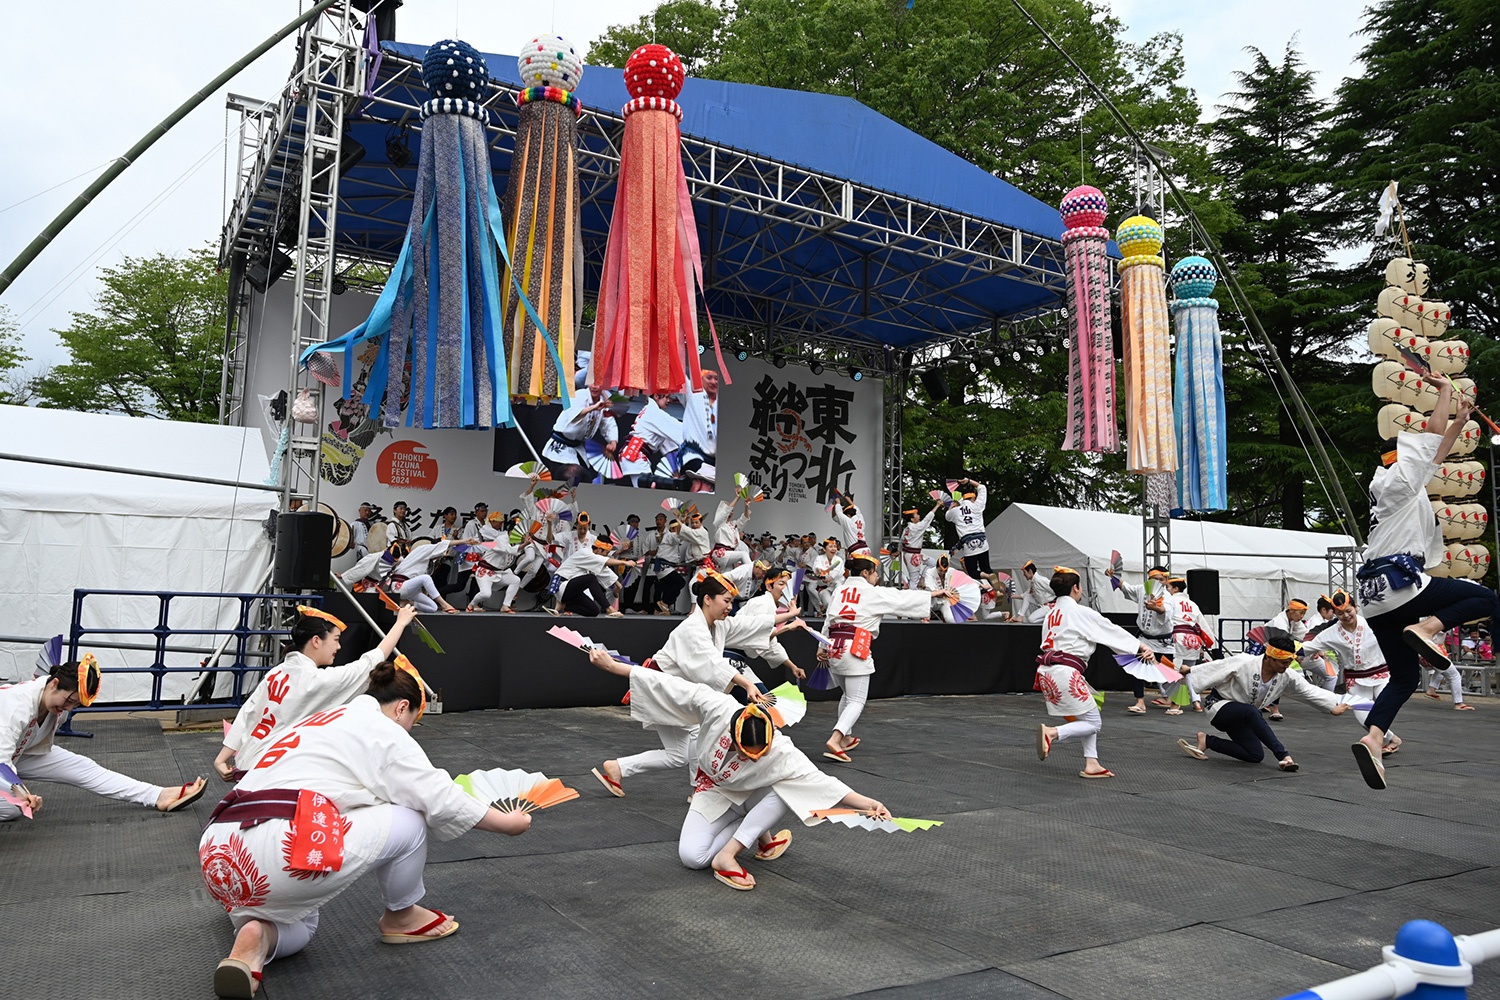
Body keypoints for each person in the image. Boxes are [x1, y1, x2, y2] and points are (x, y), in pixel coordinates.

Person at [200, 658, 531, 998]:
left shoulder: (317, 720)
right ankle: (401, 917)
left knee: (304, 921)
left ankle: (256, 935)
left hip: (219, 854)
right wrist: (508, 824)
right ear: (402, 708)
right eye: (413, 722)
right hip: (280, 844)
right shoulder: (382, 729)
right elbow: (438, 797)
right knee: (410, 814)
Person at [583, 648, 892, 891]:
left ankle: (730, 852)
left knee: (789, 789)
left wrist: (869, 803)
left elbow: (823, 782)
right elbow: (666, 682)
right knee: (692, 858)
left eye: (757, 755)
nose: (750, 758)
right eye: (744, 752)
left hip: (756, 796)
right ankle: (759, 833)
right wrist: (611, 667)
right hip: (716, 791)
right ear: (732, 734)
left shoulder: (782, 750)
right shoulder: (716, 705)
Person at [1351, 374, 1500, 788]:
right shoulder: (1400, 478)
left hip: (1374, 597)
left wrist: (1461, 420)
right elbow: (1428, 438)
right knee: (1486, 598)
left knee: (1403, 678)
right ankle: (1428, 627)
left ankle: (1374, 738)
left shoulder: (1393, 485)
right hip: (1402, 585)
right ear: (1402, 456)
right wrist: (1446, 394)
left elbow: (1436, 448)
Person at [591, 571, 796, 797]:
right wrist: (745, 682)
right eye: (726, 601)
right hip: (667, 692)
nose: (730, 607)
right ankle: (700, 789)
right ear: (708, 599)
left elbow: (747, 625)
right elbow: (712, 663)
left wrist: (787, 616)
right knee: (700, 735)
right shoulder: (692, 629)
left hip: (677, 692)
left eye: (731, 602)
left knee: (678, 754)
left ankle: (618, 767)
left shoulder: (718, 625)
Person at [216, 605, 420, 781]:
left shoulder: (277, 672)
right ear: (316, 641)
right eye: (336, 639)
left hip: (247, 763)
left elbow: (249, 712)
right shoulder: (316, 680)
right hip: (272, 770)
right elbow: (369, 663)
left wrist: (222, 757)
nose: (339, 646)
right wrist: (400, 623)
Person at [2, 656, 206, 821]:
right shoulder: (15, 707)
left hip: (20, 753)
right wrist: (21, 793)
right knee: (13, 808)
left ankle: (157, 795)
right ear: (54, 684)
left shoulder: (56, 703)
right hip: (5, 758)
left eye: (76, 705)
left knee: (82, 766)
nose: (70, 709)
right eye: (70, 701)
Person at [820, 555, 950, 763]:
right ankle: (836, 738)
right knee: (856, 699)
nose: (876, 577)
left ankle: (845, 737)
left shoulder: (839, 590)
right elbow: (901, 599)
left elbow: (828, 620)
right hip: (854, 648)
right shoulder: (872, 593)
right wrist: (933, 594)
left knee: (847, 694)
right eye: (874, 573)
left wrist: (821, 645)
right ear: (865, 573)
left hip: (834, 646)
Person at [1034, 568, 1158, 780]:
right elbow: (1109, 630)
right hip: (1066, 672)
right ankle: (1053, 733)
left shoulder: (1051, 613)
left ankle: (1092, 763)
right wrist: (1140, 647)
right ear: (1075, 588)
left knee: (1088, 715)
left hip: (1048, 672)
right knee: (1093, 722)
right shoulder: (1080, 612)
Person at [1177, 629, 1349, 771]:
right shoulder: (1245, 661)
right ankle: (1283, 756)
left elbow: (1308, 690)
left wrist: (1331, 706)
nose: (1287, 665)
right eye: (1283, 662)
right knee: (1252, 712)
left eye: (1289, 661)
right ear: (1269, 657)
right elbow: (1217, 667)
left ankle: (1207, 741)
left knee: (1254, 755)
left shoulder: (1287, 675)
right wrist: (1191, 671)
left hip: (1243, 715)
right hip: (1219, 707)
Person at [1293, 591, 1403, 755]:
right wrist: (1286, 655)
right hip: (1356, 680)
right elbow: (1309, 647)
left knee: (1383, 709)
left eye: (1348, 611)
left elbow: (1397, 634)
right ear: (1335, 614)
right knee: (1364, 719)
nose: (1345, 616)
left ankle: (1375, 742)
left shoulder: (1372, 623)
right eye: (1340, 613)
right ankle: (1392, 739)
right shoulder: (1330, 633)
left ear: (1356, 608)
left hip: (1381, 675)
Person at [1104, 565, 1173, 714]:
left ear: (1166, 580)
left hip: (1163, 642)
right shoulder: (1142, 590)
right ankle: (1140, 702)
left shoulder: (1168, 597)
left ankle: (1175, 703)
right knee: (1138, 670)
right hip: (1145, 640)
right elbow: (1126, 587)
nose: (1158, 583)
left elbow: (1164, 610)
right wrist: (1113, 576)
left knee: (1168, 673)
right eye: (1154, 579)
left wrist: (1155, 608)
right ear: (1149, 580)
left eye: (1161, 580)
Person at [341, 539, 462, 615]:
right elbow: (360, 569)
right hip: (387, 586)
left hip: (401, 588)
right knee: (369, 610)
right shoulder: (374, 557)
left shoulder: (401, 560)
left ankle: (407, 603)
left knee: (433, 607)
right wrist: (343, 576)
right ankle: (445, 605)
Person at [542, 384, 619, 482]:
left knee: (584, 478)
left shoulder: (603, 401)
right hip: (560, 448)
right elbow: (574, 415)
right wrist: (593, 408)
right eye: (592, 383)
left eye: (598, 384)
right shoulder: (579, 395)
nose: (594, 387)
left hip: (577, 448)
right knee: (565, 479)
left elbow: (608, 423)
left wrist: (613, 441)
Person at [550, 537, 637, 618]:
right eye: (606, 553)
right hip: (562, 585)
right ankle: (608, 609)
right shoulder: (585, 553)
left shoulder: (593, 560)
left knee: (593, 611)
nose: (606, 556)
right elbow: (605, 562)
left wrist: (618, 585)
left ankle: (564, 605)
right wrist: (625, 563)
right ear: (599, 549)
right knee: (591, 578)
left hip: (572, 590)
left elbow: (604, 571)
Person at [1163, 576, 1209, 715]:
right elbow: (1202, 624)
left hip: (1179, 637)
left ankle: (1175, 704)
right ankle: (1196, 702)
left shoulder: (1170, 600)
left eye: (1168, 588)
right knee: (1189, 672)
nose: (1166, 590)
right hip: (1194, 639)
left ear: (1175, 589)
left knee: (1175, 671)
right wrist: (1206, 642)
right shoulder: (1193, 604)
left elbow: (1165, 618)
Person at [680, 370, 719, 492]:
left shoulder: (723, 403)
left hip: (716, 462)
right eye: (709, 378)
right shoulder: (694, 393)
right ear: (701, 379)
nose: (713, 382)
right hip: (693, 457)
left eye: (716, 379)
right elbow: (678, 373)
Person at [944, 478, 991, 578]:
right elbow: (982, 488)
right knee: (986, 568)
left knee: (972, 571)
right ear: (973, 498)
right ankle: (997, 588)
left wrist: (952, 506)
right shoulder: (977, 506)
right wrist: (969, 481)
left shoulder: (956, 511)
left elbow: (947, 516)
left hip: (968, 545)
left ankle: (987, 576)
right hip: (982, 542)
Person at [899, 502, 942, 589]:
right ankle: (912, 597)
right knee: (914, 580)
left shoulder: (907, 529)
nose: (919, 516)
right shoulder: (916, 528)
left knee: (933, 563)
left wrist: (899, 551)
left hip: (911, 554)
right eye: (916, 515)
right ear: (912, 519)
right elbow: (927, 519)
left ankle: (922, 579)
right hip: (913, 556)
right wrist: (937, 506)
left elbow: (901, 542)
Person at [654, 519, 690, 615]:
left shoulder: (669, 537)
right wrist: (684, 524)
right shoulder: (670, 535)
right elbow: (679, 537)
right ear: (673, 528)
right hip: (664, 567)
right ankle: (664, 603)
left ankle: (659, 610)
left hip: (665, 567)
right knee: (680, 582)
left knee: (670, 589)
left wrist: (684, 524)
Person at [829, 489, 872, 557]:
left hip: (856, 551)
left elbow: (839, 513)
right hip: (866, 549)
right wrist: (848, 500)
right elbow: (856, 509)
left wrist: (837, 503)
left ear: (848, 515)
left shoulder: (849, 522)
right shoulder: (860, 518)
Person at [924, 555, 958, 624]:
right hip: (931, 600)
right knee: (925, 619)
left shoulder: (952, 571)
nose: (942, 573)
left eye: (945, 571)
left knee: (951, 620)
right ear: (936, 567)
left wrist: (981, 585)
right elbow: (931, 590)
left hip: (945, 600)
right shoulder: (929, 572)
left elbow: (965, 580)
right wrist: (942, 591)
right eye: (940, 570)